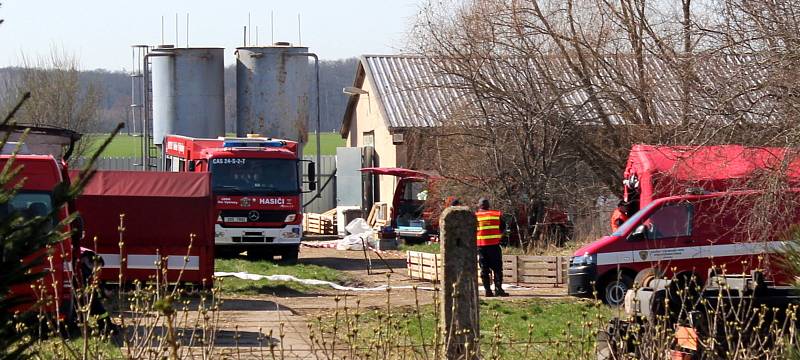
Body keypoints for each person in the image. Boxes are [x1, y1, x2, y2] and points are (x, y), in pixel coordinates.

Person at [475, 198, 509, 297]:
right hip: (494, 246)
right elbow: (502, 228)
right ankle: (498, 289)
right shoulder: (496, 215)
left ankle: (487, 291)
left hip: (481, 247)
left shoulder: (475, 216)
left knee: (484, 269)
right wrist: (498, 236)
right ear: (488, 205)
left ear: (479, 206)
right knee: (497, 269)